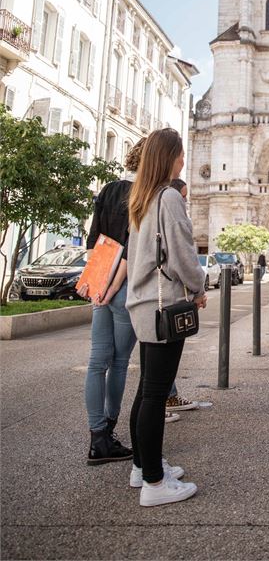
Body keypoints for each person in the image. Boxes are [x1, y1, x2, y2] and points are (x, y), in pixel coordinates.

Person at [126, 128, 206, 507]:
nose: (183, 160)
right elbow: (182, 253)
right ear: (169, 156)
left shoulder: (142, 196)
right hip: (164, 306)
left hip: (143, 304)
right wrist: (198, 287)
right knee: (156, 395)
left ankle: (143, 467)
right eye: (180, 153)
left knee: (147, 390)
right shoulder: (170, 197)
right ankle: (154, 484)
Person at [82, 138, 145, 466]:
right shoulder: (144, 195)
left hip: (100, 283)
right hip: (122, 287)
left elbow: (94, 242)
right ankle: (108, 430)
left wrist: (97, 284)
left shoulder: (107, 190)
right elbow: (130, 249)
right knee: (119, 363)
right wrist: (113, 286)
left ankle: (97, 437)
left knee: (96, 362)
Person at [164, 177, 199, 420]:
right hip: (164, 294)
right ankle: (161, 403)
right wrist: (198, 290)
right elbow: (181, 255)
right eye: (184, 197)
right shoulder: (169, 203)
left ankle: (168, 396)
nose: (185, 202)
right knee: (160, 359)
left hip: (148, 295)